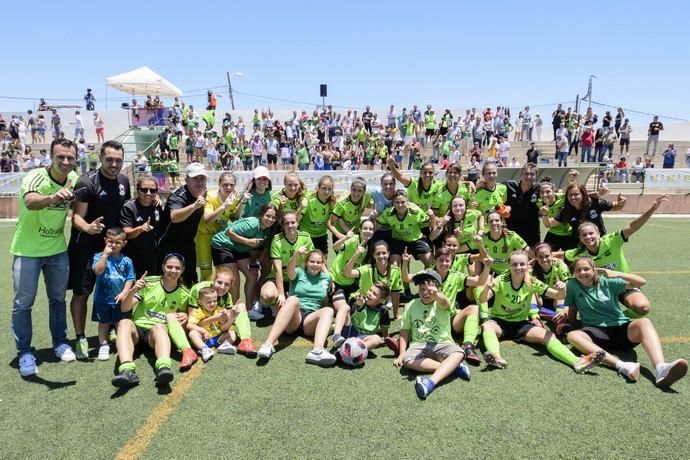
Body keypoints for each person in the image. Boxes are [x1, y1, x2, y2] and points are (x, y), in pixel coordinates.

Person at [11, 139, 80, 376]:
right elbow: (30, 202)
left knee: (57, 299)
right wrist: (52, 198)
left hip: (57, 250)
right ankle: (25, 352)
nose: (65, 161)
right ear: (51, 157)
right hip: (28, 251)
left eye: (70, 157)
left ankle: (60, 342)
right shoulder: (36, 177)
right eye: (60, 156)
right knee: (23, 304)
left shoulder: (73, 179)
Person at [565, 258, 687, 388]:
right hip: (596, 333)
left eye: (586, 269)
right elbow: (572, 309)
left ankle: (661, 368)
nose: (582, 273)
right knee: (572, 335)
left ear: (594, 270)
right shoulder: (573, 285)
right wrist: (570, 327)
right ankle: (623, 366)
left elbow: (641, 282)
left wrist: (618, 274)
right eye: (578, 270)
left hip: (620, 329)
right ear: (574, 272)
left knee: (644, 322)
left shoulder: (607, 281)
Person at [478, 250, 604, 372]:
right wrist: (486, 287)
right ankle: (496, 357)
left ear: (528, 265)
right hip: (500, 322)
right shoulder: (501, 280)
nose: (518, 267)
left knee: (549, 335)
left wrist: (562, 289)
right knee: (487, 326)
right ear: (509, 265)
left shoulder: (532, 281)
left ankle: (576, 362)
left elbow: (558, 296)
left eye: (522, 264)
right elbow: (483, 299)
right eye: (514, 264)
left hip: (521, 324)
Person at [68, 140, 130, 360]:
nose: (114, 164)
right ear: (101, 158)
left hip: (113, 248)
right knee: (82, 293)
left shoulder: (123, 180)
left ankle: (112, 329)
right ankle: (81, 337)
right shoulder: (87, 182)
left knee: (114, 290)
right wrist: (88, 228)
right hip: (86, 247)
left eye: (118, 160)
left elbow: (127, 209)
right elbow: (76, 216)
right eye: (110, 159)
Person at [563, 195, 669, 319]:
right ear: (580, 238)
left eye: (591, 233)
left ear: (598, 234)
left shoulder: (612, 240)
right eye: (584, 235)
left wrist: (652, 209)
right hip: (599, 288)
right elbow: (559, 255)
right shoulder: (578, 253)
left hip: (623, 284)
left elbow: (633, 226)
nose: (588, 237)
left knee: (643, 308)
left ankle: (618, 318)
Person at [112, 254, 198, 388]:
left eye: (177, 268)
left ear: (182, 270)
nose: (173, 271)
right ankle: (127, 370)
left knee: (159, 327)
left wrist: (186, 317)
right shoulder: (149, 283)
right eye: (169, 267)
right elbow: (124, 308)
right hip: (138, 332)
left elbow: (187, 321)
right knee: (124, 322)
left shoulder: (184, 294)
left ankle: (163, 369)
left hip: (157, 336)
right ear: (163, 267)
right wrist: (133, 289)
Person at [393, 269, 470, 400]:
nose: (425, 293)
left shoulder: (442, 303)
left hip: (442, 343)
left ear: (438, 289)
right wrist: (401, 354)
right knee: (408, 361)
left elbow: (444, 302)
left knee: (459, 353)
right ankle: (451, 368)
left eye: (430, 289)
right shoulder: (411, 305)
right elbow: (405, 330)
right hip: (419, 345)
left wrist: (437, 294)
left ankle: (430, 383)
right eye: (422, 289)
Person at [257, 249, 337, 366]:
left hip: (309, 320)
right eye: (312, 261)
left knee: (329, 310)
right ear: (306, 262)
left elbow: (324, 301)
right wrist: (296, 255)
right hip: (294, 316)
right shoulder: (299, 272)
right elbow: (289, 270)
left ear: (323, 264)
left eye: (318, 262)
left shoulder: (326, 278)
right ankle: (268, 344)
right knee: (293, 299)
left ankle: (317, 351)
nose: (315, 265)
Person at [211, 203, 278, 317]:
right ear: (261, 215)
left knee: (252, 274)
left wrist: (256, 263)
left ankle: (249, 309)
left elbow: (264, 248)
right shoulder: (251, 223)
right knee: (234, 279)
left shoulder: (268, 231)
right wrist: (248, 242)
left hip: (239, 249)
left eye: (273, 217)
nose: (270, 219)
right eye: (268, 216)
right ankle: (235, 310)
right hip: (222, 245)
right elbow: (229, 232)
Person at [157, 162, 208, 287]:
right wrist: (194, 206)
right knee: (168, 280)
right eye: (195, 178)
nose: (199, 182)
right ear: (186, 180)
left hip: (188, 243)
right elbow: (174, 217)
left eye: (202, 178)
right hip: (169, 244)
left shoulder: (202, 194)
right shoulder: (179, 196)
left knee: (190, 281)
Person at [188, 267, 256, 357]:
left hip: (216, 331)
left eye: (227, 284)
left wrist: (232, 317)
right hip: (200, 331)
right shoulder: (199, 290)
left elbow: (223, 328)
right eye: (219, 282)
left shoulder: (227, 297)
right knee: (191, 332)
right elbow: (192, 323)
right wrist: (216, 318)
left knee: (241, 306)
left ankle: (245, 340)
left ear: (231, 286)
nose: (222, 287)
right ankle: (200, 348)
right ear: (213, 280)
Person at [257, 212, 314, 318]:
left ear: (297, 223)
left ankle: (290, 297)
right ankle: (270, 305)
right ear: (282, 226)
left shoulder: (305, 237)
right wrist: (281, 294)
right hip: (279, 278)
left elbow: (314, 261)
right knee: (267, 295)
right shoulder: (277, 240)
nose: (290, 226)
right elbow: (278, 270)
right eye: (287, 223)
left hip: (297, 278)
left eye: (293, 222)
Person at [91, 227, 135, 361]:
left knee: (119, 323)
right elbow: (97, 271)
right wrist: (105, 255)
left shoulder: (127, 261)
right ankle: (103, 345)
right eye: (110, 242)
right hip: (102, 299)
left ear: (124, 243)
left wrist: (124, 293)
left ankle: (121, 345)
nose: (114, 245)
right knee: (103, 323)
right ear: (105, 241)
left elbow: (130, 278)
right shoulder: (99, 256)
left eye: (118, 242)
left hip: (120, 300)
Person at [196, 172, 241, 281]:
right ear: (219, 185)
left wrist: (242, 203)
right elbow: (207, 220)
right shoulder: (210, 196)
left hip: (220, 239)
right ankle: (206, 296)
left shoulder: (235, 198)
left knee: (222, 271)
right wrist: (224, 205)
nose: (228, 187)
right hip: (204, 236)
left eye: (232, 185)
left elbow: (234, 217)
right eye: (225, 184)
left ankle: (221, 296)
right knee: (206, 272)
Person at [548, 182, 625, 241]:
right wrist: (545, 214)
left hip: (598, 241)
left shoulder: (595, 203)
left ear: (583, 194)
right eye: (570, 195)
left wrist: (621, 203)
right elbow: (550, 223)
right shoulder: (566, 210)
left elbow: (616, 206)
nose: (573, 197)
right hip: (579, 242)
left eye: (576, 194)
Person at [119, 175, 162, 278]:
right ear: (137, 190)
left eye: (152, 190)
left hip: (152, 256)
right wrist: (140, 229)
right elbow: (126, 234)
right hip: (132, 257)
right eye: (144, 189)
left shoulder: (157, 205)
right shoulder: (129, 207)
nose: (148, 193)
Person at [376, 189, 432, 268]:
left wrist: (432, 217)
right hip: (398, 240)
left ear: (407, 202)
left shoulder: (415, 211)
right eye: (397, 202)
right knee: (393, 267)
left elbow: (427, 222)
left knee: (431, 263)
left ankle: (426, 279)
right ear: (393, 203)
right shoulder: (388, 213)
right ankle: (397, 279)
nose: (400, 205)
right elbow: (377, 224)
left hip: (416, 239)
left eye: (403, 202)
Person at [186, 287, 241, 362]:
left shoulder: (219, 309)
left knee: (233, 333)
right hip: (204, 338)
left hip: (218, 337)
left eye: (214, 301)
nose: (212, 304)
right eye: (209, 302)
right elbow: (189, 325)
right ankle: (204, 349)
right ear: (200, 302)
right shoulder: (198, 312)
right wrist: (203, 331)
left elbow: (223, 326)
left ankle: (225, 345)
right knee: (193, 333)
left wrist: (230, 315)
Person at [334, 282, 391, 352]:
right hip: (349, 330)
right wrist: (359, 305)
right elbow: (353, 312)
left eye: (374, 294)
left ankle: (349, 351)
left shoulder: (383, 310)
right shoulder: (360, 301)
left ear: (380, 300)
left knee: (377, 339)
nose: (370, 293)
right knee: (344, 308)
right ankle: (336, 336)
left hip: (363, 338)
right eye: (370, 290)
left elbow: (384, 328)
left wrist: (387, 339)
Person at [481, 210, 528, 275]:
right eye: (491, 221)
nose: (494, 223)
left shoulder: (511, 236)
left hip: (510, 271)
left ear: (502, 222)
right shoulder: (482, 238)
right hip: (490, 271)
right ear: (487, 224)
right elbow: (465, 248)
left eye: (497, 220)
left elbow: (528, 251)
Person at [298, 175, 337, 254]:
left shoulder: (332, 203)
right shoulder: (309, 199)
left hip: (321, 236)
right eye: (323, 188)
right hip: (306, 236)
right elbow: (296, 220)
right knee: (306, 264)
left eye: (329, 189)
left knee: (323, 263)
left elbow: (330, 223)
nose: (326, 192)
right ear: (318, 188)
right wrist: (300, 209)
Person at [329, 177, 372, 242]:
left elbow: (373, 206)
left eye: (360, 190)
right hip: (342, 234)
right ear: (350, 189)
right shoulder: (342, 203)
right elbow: (331, 222)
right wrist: (340, 235)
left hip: (356, 231)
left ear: (364, 191)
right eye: (354, 189)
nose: (356, 194)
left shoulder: (367, 196)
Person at [537, 180, 575, 250]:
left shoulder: (563, 198)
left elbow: (574, 192)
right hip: (552, 233)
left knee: (570, 259)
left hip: (568, 234)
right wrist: (544, 214)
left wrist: (572, 180)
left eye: (548, 192)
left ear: (554, 191)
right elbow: (547, 225)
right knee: (545, 253)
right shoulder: (538, 203)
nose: (545, 195)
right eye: (542, 192)